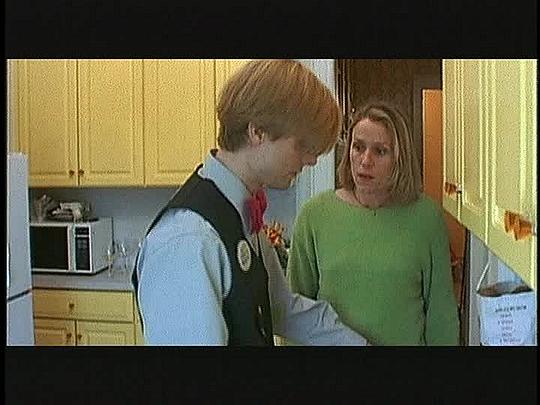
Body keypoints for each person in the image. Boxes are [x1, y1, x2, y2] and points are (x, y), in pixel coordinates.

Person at [132, 59, 369, 346]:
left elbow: (280, 308)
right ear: (257, 132)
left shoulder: (242, 214)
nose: (311, 160)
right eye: (302, 146)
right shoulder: (188, 239)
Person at [287, 101, 460, 346]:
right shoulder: (314, 216)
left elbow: (441, 315)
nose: (365, 160)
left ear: (399, 158)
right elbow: (297, 311)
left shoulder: (427, 218)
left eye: (380, 151)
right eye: (358, 147)